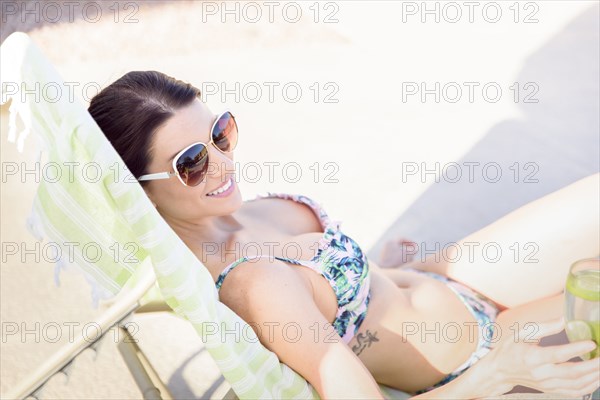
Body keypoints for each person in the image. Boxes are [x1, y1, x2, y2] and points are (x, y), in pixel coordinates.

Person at [88, 70, 600, 399]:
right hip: (478, 359)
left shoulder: (234, 211)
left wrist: (387, 269)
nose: (223, 163)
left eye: (220, 134)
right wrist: (500, 374)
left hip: (446, 280)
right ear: (142, 193)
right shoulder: (257, 286)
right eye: (192, 162)